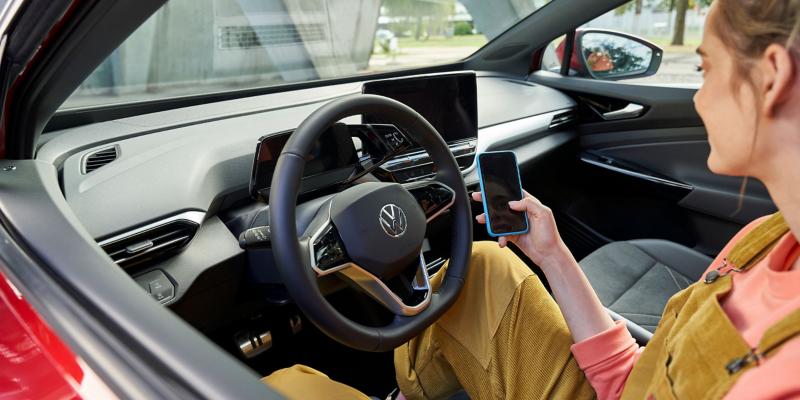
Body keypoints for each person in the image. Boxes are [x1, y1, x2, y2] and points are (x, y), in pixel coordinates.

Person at [263, 0, 800, 398]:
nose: (700, 97)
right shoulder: (766, 237)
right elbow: (638, 378)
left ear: (772, 76)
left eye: (705, 70)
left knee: (286, 385)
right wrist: (552, 256)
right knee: (484, 264)